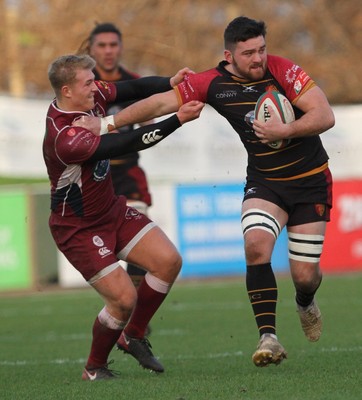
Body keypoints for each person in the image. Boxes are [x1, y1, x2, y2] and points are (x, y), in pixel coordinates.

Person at [75, 16, 335, 368]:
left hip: (310, 181)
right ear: (229, 55)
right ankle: (268, 337)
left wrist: (285, 129)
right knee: (256, 244)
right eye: (248, 53)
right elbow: (159, 103)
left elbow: (324, 115)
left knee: (305, 275)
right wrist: (105, 123)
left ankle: (305, 301)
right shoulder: (212, 82)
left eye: (262, 49)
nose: (258, 59)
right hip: (266, 183)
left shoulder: (284, 70)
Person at [43, 53, 204, 380]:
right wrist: (177, 120)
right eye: (87, 83)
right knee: (123, 298)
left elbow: (130, 88)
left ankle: (133, 335)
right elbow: (128, 142)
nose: (95, 87)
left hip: (110, 210)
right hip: (78, 229)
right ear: (67, 90)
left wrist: (168, 82)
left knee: (168, 261)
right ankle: (94, 368)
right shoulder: (65, 137)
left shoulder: (90, 96)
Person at [78, 24, 156, 318]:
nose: (108, 51)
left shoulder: (134, 84)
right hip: (94, 178)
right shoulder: (82, 86)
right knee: (103, 249)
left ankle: (133, 311)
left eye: (113, 45)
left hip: (128, 173)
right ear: (91, 49)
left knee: (143, 238)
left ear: (120, 47)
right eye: (102, 45)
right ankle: (120, 303)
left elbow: (150, 122)